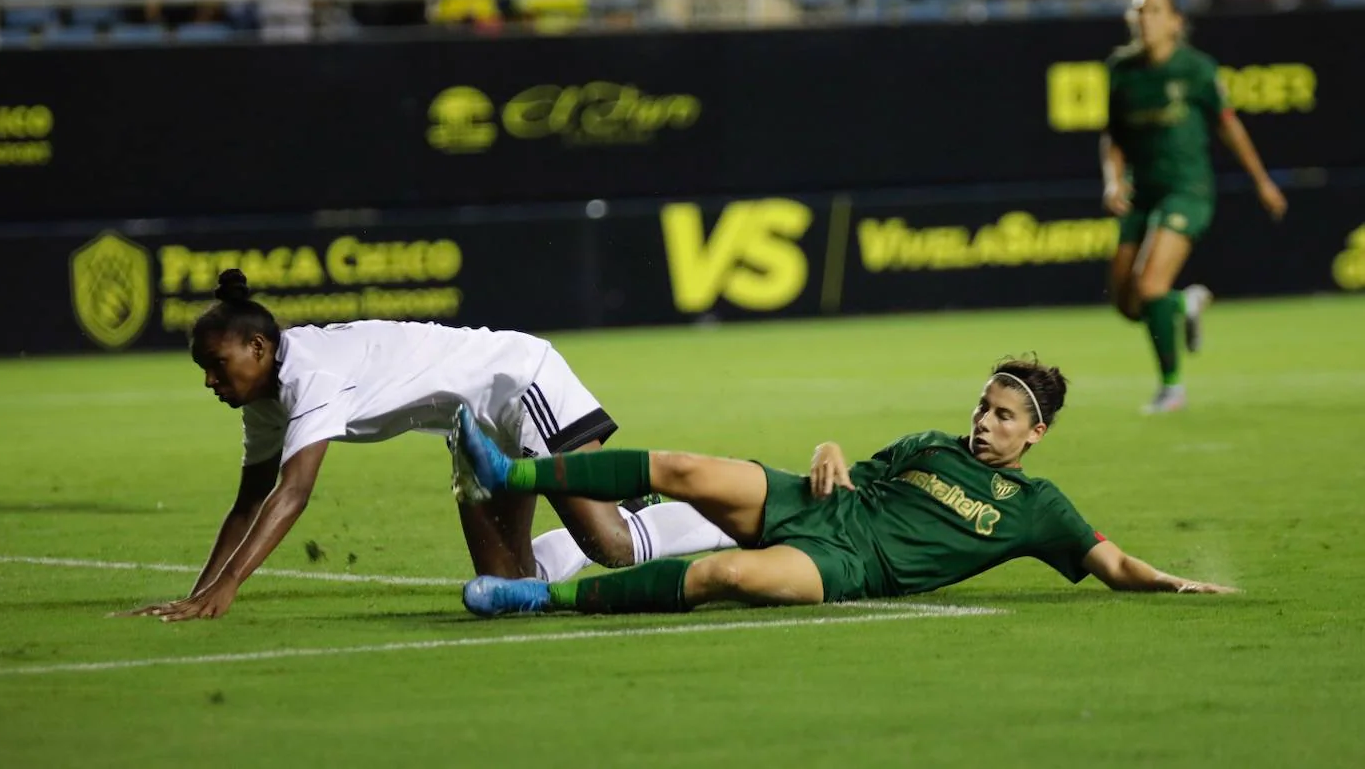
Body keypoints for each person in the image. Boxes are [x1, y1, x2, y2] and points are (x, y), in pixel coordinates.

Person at [122, 269, 731, 622]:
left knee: (614, 546)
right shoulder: (265, 397)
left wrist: (229, 591)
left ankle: (738, 510)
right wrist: (199, 592)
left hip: (521, 384)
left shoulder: (311, 374)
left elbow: (294, 493)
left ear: (258, 348)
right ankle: (605, 520)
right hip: (471, 429)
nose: (210, 380)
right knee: (512, 586)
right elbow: (249, 501)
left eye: (216, 364)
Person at [456, 356, 1237, 618]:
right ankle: (508, 471)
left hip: (849, 566)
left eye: (1002, 417)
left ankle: (536, 597)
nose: (983, 423)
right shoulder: (931, 443)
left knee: (724, 573)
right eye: (983, 406)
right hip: (818, 503)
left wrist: (1172, 582)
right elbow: (851, 471)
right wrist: (828, 446)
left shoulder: (1040, 510)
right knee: (683, 469)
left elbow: (1113, 564)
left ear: (1034, 434)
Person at [1100, 0, 1287, 414]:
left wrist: (1262, 181)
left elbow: (1229, 126)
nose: (1144, 19)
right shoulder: (1121, 69)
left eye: (1154, 11)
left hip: (1187, 190)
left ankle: (1172, 388)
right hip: (1140, 193)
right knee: (1128, 305)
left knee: (1149, 287)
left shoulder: (1197, 70)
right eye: (1138, 12)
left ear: (1176, 22)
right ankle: (1186, 303)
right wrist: (1112, 180)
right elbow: (1113, 134)